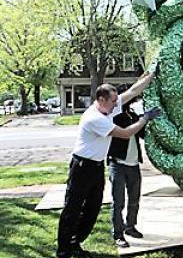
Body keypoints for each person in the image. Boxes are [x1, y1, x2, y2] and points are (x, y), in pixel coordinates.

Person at [56, 73, 160, 258]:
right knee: (73, 207)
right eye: (113, 101)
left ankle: (75, 242)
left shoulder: (108, 108)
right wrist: (144, 119)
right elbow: (126, 133)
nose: (116, 104)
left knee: (93, 208)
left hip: (96, 167)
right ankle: (64, 249)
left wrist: (150, 75)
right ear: (102, 99)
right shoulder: (95, 118)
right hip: (82, 167)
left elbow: (133, 91)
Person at [107, 84, 145, 248]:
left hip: (134, 163)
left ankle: (130, 226)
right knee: (119, 201)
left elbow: (142, 134)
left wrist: (145, 118)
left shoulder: (133, 115)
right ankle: (118, 233)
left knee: (134, 199)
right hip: (118, 164)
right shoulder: (114, 116)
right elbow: (125, 131)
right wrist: (140, 119)